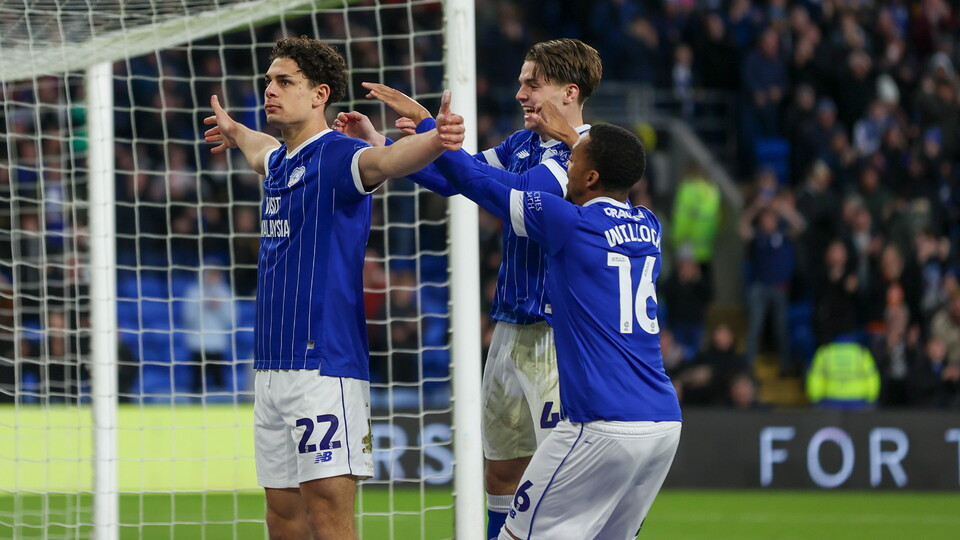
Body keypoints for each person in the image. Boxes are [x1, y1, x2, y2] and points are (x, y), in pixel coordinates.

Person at [334, 38, 602, 539]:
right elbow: (458, 178)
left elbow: (517, 196)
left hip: (558, 337)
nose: (520, 92)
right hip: (508, 328)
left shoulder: (584, 152)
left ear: (570, 91)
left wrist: (435, 131)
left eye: (532, 83)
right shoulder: (522, 144)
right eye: (521, 81)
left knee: (558, 480)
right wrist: (386, 148)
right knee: (500, 470)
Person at [201, 36, 463, 539]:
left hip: (323, 364)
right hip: (271, 366)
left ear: (319, 94)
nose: (269, 90)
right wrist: (236, 132)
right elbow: (259, 151)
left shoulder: (341, 155)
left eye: (284, 82)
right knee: (282, 516)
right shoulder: (280, 161)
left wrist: (437, 139)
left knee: (327, 514)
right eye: (267, 81)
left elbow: (386, 163)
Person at [431, 121, 682, 539]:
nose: (564, 164)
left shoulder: (567, 222)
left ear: (591, 177)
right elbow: (606, 167)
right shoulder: (649, 225)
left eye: (573, 158)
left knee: (517, 534)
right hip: (662, 423)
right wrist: (577, 138)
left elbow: (472, 181)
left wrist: (427, 127)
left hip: (599, 422)